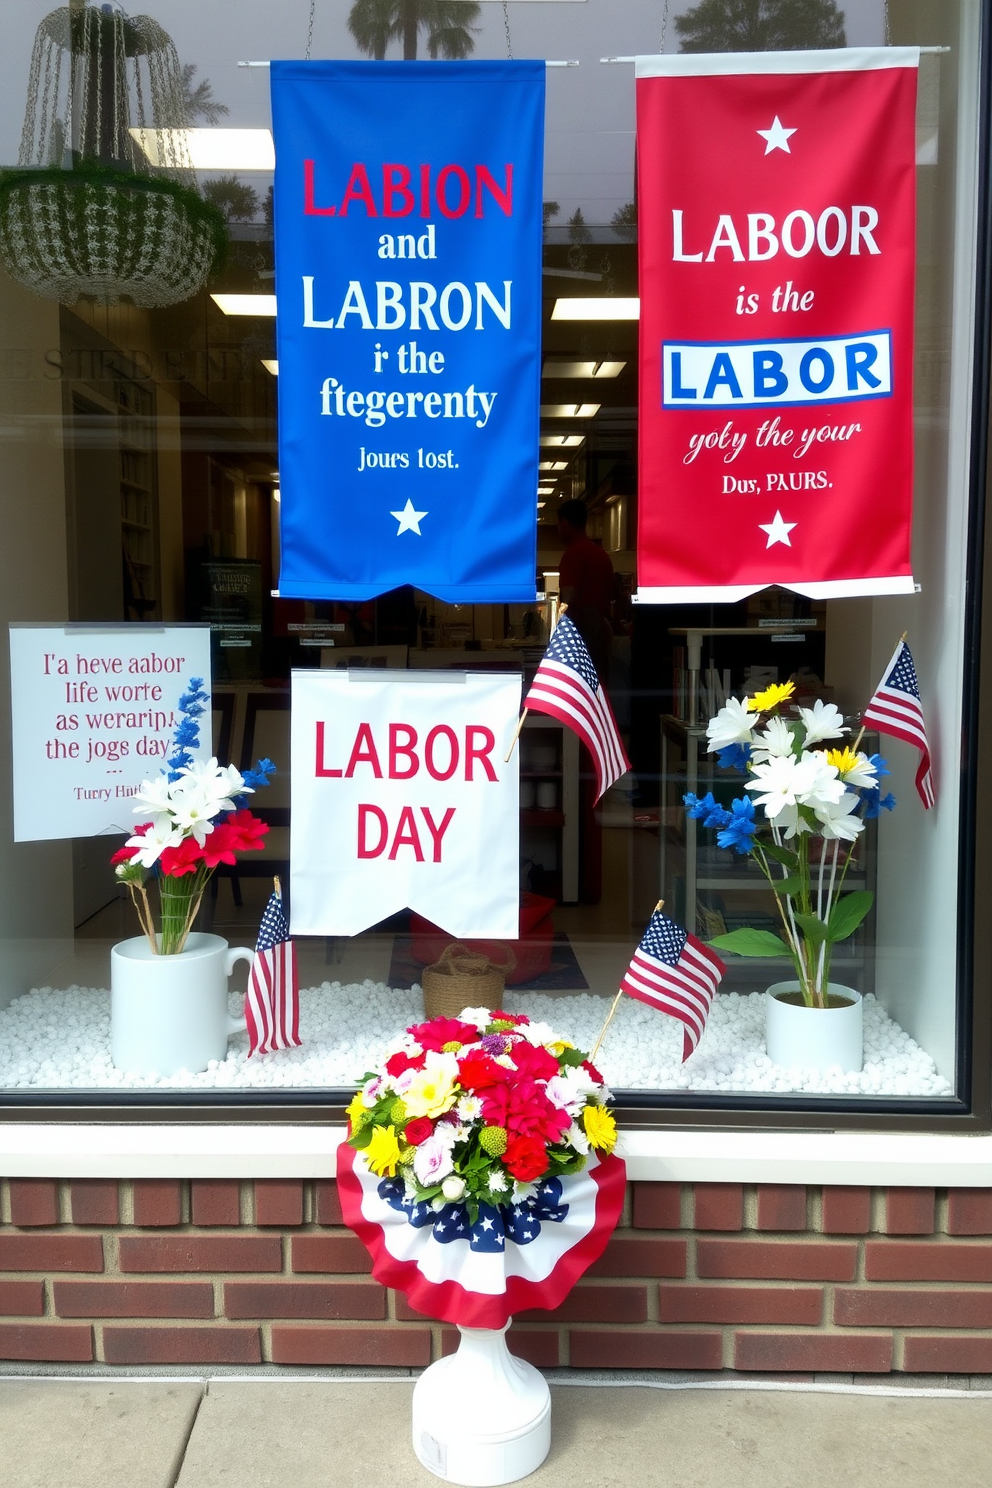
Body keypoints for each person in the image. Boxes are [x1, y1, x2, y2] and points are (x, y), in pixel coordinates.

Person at [556, 499, 614, 682]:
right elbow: (613, 595)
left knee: (579, 687)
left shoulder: (573, 554)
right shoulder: (601, 555)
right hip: (602, 633)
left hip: (580, 633)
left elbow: (569, 595)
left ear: (564, 523)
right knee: (598, 687)